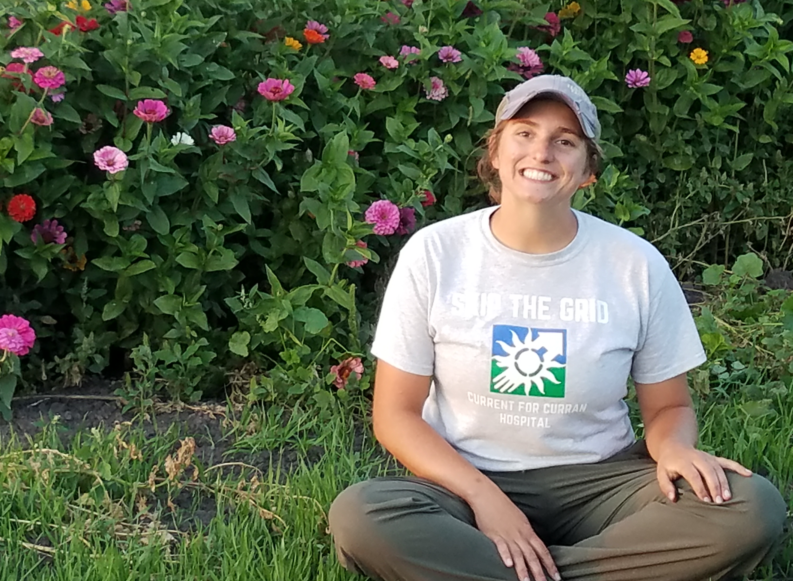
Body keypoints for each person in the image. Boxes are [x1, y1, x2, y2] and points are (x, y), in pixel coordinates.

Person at [329, 75, 786, 581]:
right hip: (464, 482)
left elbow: (670, 406)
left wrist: (675, 447)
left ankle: (516, 571)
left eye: (565, 141)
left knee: (750, 506)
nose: (542, 152)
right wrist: (486, 498)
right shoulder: (436, 254)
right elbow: (395, 415)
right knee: (363, 515)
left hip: (599, 482)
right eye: (524, 133)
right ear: (496, 152)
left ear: (588, 169)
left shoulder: (634, 264)